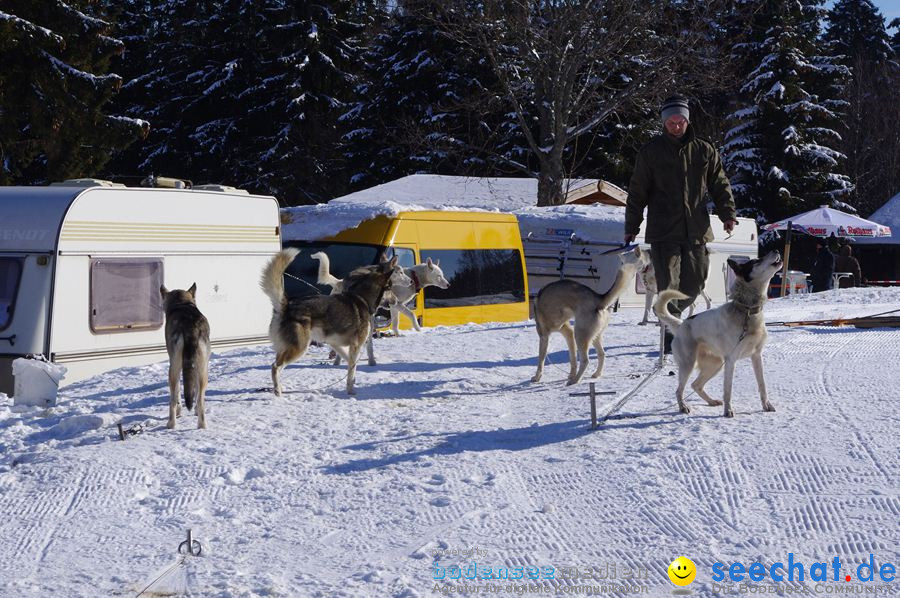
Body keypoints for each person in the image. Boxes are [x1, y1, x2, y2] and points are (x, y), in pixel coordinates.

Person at [625, 95, 738, 353]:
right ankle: (671, 338)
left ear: (687, 121)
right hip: (664, 231)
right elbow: (637, 191)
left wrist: (727, 214)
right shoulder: (651, 152)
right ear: (664, 123)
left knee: (695, 282)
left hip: (696, 230)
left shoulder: (704, 150)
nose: (676, 126)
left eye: (680, 121)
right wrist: (631, 226)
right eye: (671, 122)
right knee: (669, 284)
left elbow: (720, 184)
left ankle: (669, 318)